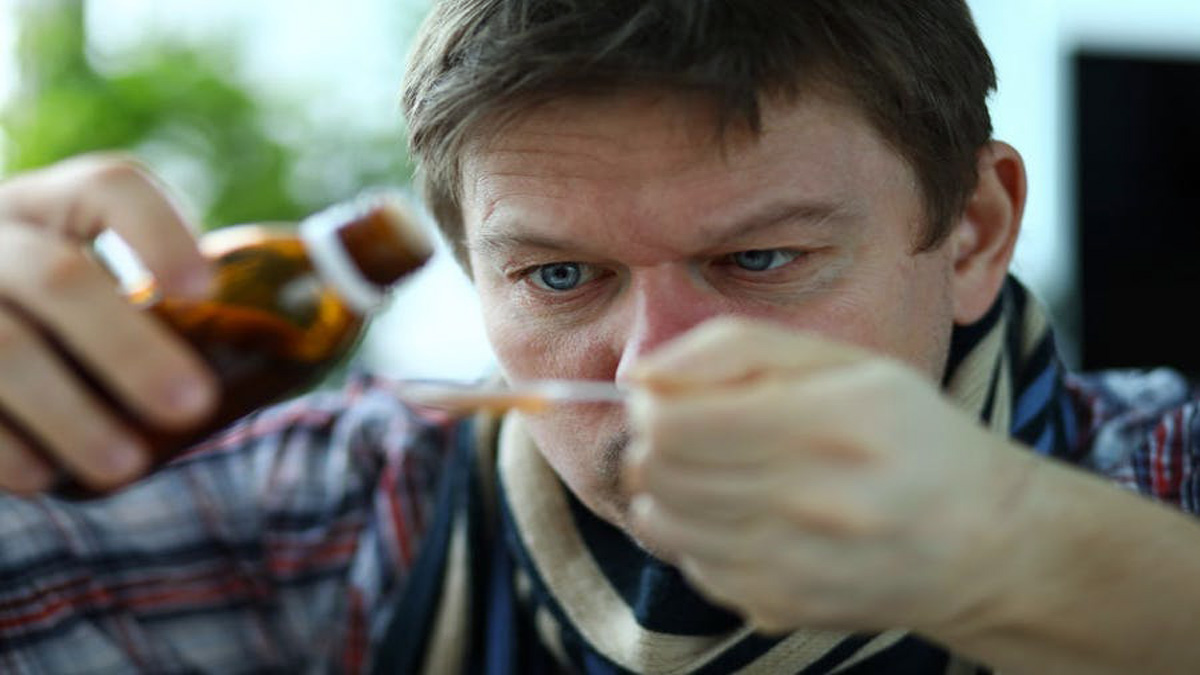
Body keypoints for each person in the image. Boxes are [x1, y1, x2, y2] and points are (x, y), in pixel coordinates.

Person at [1, 1, 1198, 673]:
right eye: (562, 276)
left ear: (976, 232)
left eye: (761, 259)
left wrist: (1021, 552)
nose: (659, 369)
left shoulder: (1162, 477)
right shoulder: (348, 512)